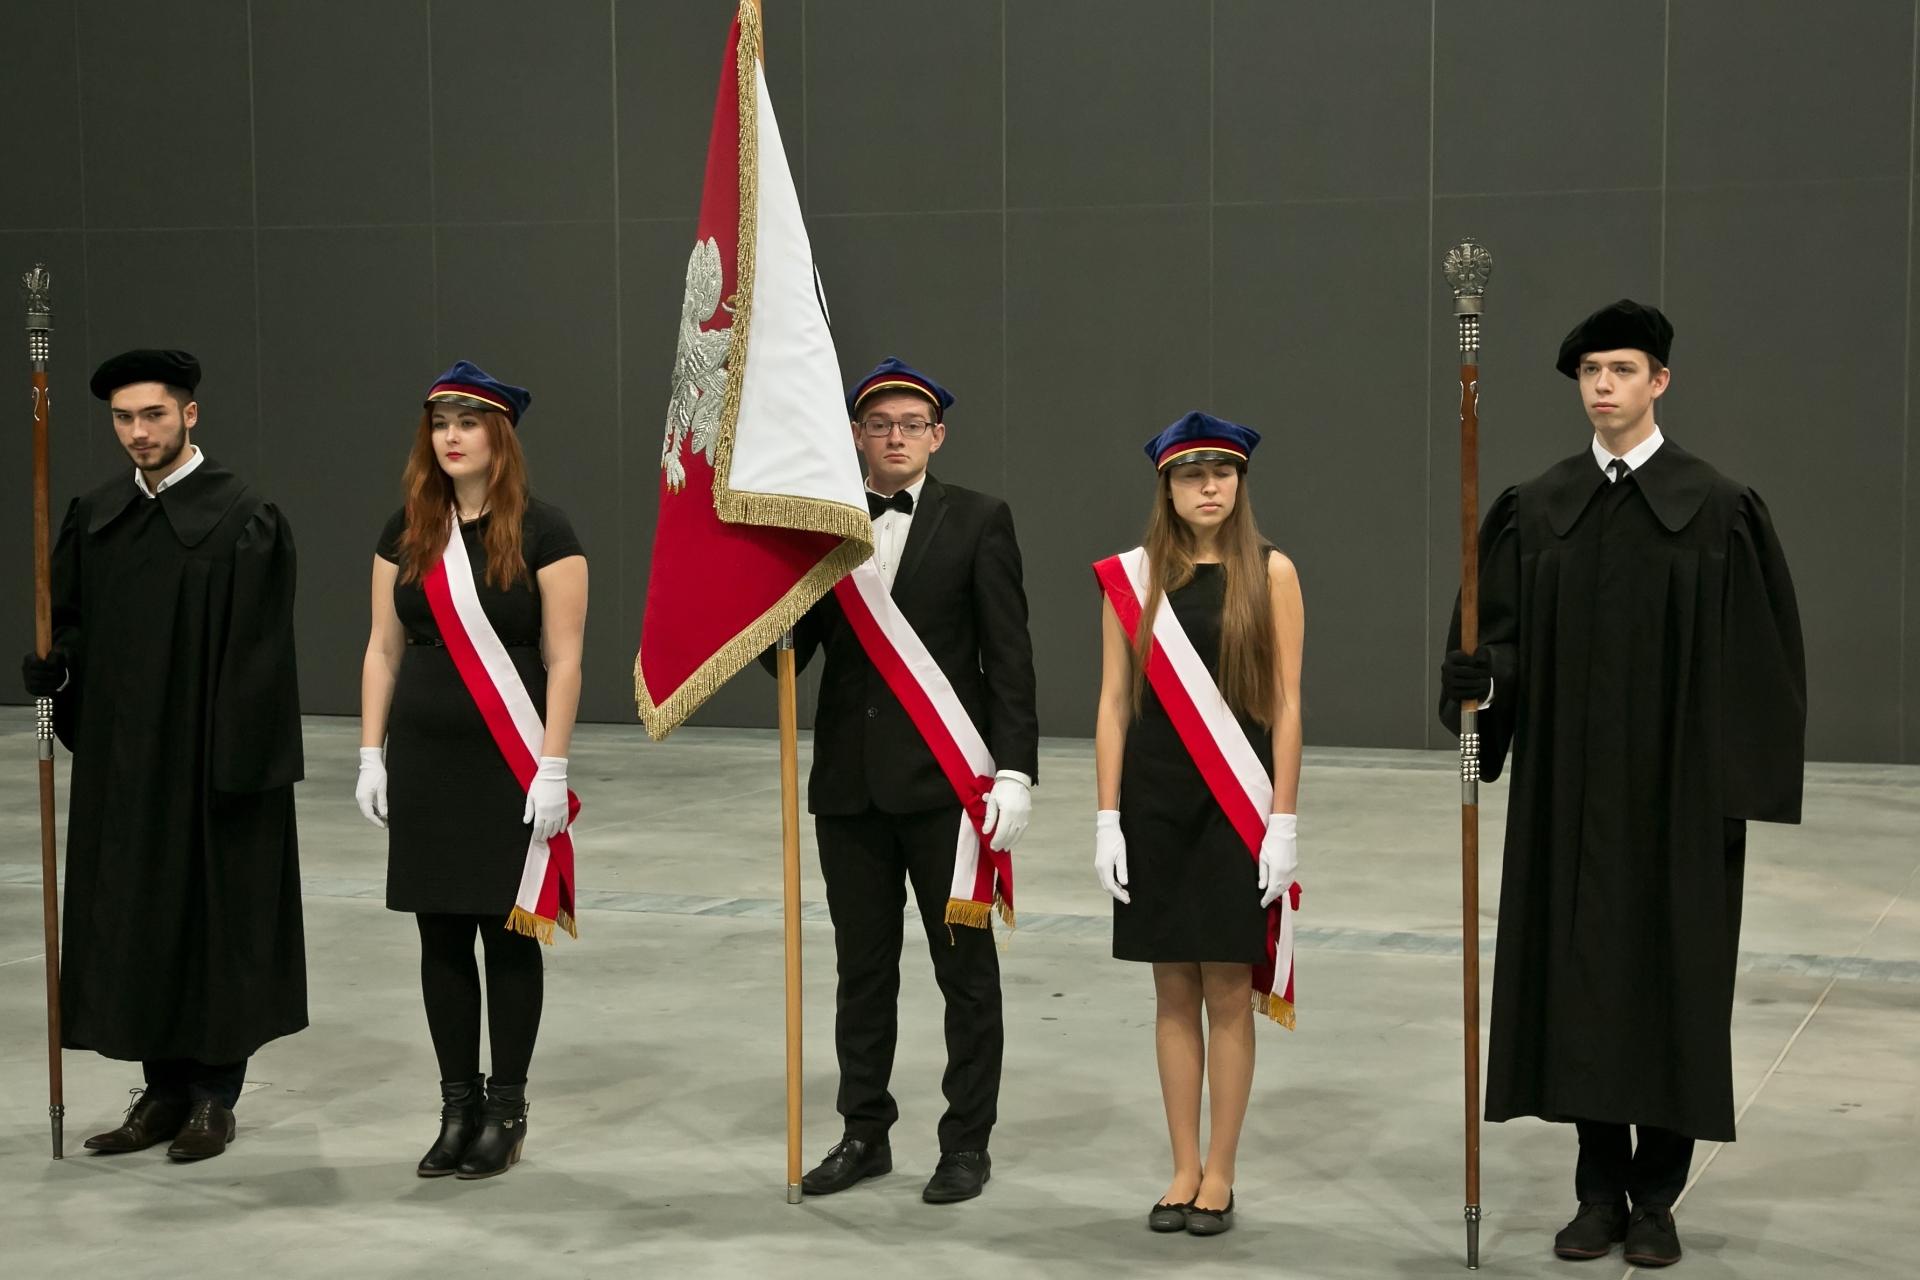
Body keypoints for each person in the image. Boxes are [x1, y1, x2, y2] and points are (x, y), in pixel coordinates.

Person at [1439, 301, 1805, 1268]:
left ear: (1660, 381)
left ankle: (1657, 1201)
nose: (1603, 386)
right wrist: (1483, 683)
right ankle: (1598, 1192)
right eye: (1590, 371)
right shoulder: (1538, 507)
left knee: (1674, 982)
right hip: (1566, 794)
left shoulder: (1717, 509)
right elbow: (1501, 641)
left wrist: (1737, 792)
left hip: (1679, 799)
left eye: (1623, 369)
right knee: (1581, 984)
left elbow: (1759, 662)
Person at [765, 358, 1038, 1205]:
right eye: (879, 424)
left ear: (937, 436)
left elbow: (1009, 657)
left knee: (966, 975)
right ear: (855, 435)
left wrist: (1015, 770)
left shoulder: (980, 519)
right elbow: (789, 656)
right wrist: (765, 595)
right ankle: (864, 1132)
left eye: (910, 424)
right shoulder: (827, 528)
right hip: (849, 789)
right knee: (862, 972)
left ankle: (966, 1144)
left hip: (947, 790)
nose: (895, 437)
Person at [21, 349, 305, 1162]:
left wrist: (233, 768)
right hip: (126, 763)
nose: (138, 432)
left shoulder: (243, 516)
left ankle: (214, 1095)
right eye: (123, 418)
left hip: (212, 764)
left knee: (213, 920)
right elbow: (71, 621)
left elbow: (260, 656)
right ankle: (162, 1092)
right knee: (139, 916)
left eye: (153, 414)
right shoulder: (97, 515)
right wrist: (55, 668)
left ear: (189, 414)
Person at [356, 361, 588, 1180]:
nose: (451, 437)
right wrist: (370, 753)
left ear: (500, 436)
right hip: (426, 758)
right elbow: (383, 650)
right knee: (440, 934)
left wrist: (552, 764)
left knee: (507, 932)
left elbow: (564, 659)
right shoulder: (406, 531)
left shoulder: (546, 532)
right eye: (440, 423)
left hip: (509, 759)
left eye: (468, 422)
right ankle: (456, 1108)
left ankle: (506, 1111)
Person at [1090, 413, 1305, 1237]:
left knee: (1228, 993)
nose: (1209, 486)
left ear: (1241, 482)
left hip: (1235, 808)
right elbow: (1113, 704)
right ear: (1167, 487)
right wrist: (1107, 817)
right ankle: (1181, 1167)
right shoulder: (1131, 578)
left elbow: (1286, 705)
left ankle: (1221, 1169)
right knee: (1171, 991)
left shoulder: (1271, 572)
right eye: (1191, 473)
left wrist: (1282, 820)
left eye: (1222, 472)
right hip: (1154, 806)